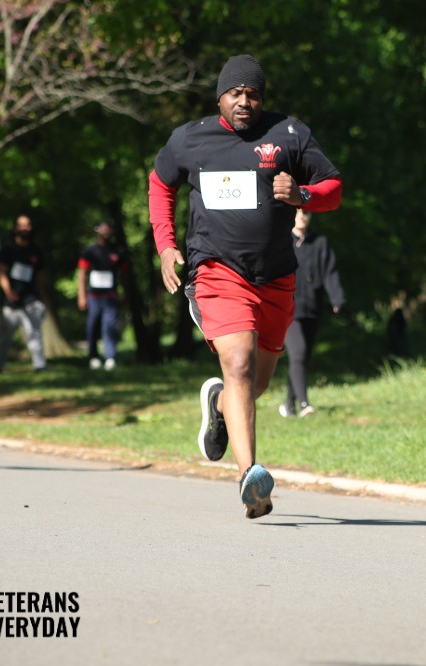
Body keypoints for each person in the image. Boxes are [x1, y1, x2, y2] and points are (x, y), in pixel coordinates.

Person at [148, 54, 342, 518]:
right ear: (220, 97)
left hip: (275, 276)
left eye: (252, 94)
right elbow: (160, 184)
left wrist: (303, 195)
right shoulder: (191, 139)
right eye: (235, 93)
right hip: (217, 270)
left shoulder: (289, 133)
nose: (244, 101)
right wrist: (166, 245)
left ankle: (218, 405)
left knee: (255, 383)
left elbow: (333, 186)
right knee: (238, 362)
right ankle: (250, 476)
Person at [279, 209, 345, 418]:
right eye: (298, 212)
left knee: (303, 357)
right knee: (298, 352)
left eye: (306, 212)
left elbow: (330, 273)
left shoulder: (320, 243)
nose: (302, 216)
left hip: (312, 309)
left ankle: (289, 403)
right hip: (288, 309)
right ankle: (304, 404)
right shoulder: (281, 241)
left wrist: (337, 299)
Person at [0, 214, 48, 372]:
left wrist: (40, 296)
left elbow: (39, 276)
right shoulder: (8, 249)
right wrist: (9, 292)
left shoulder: (36, 250)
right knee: (4, 337)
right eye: (21, 225)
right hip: (10, 301)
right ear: (15, 228)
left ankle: (40, 365)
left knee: (34, 333)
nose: (25, 228)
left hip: (30, 299)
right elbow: (1, 273)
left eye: (28, 225)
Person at [77, 221, 128, 371]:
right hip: (93, 296)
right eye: (102, 229)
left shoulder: (118, 251)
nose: (105, 232)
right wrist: (81, 296)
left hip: (111, 296)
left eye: (108, 229)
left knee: (110, 326)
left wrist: (125, 293)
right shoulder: (90, 251)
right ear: (97, 231)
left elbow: (124, 274)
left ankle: (110, 357)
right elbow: (82, 274)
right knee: (92, 325)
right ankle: (93, 356)